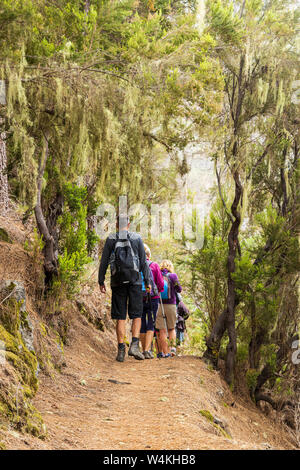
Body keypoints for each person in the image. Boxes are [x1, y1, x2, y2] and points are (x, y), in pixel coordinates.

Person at [98, 214, 151, 362]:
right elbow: (144, 263)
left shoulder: (111, 239)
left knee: (120, 316)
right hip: (135, 281)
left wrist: (101, 280)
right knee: (137, 315)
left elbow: (104, 262)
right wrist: (147, 281)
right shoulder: (137, 238)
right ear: (128, 225)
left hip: (117, 282)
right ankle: (134, 345)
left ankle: (121, 349)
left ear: (116, 225)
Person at [140, 244, 164, 359]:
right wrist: (156, 291)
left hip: (138, 298)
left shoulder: (136, 265)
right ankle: (146, 350)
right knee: (151, 322)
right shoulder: (154, 265)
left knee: (141, 323)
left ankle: (142, 349)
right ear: (149, 255)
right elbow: (160, 284)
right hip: (152, 298)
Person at [155, 260, 182, 358]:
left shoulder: (157, 275)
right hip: (171, 305)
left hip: (159, 304)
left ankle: (165, 353)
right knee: (171, 328)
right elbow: (179, 289)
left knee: (162, 330)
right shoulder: (173, 276)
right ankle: (172, 350)